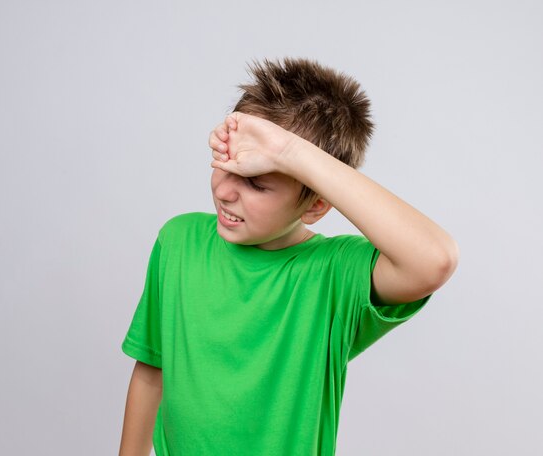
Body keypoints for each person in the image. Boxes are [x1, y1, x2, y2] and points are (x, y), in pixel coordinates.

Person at [118, 57, 459, 456]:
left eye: (256, 182)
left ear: (316, 206)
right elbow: (152, 368)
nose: (226, 192)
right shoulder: (178, 241)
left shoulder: (333, 274)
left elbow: (434, 259)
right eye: (224, 165)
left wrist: (287, 151)